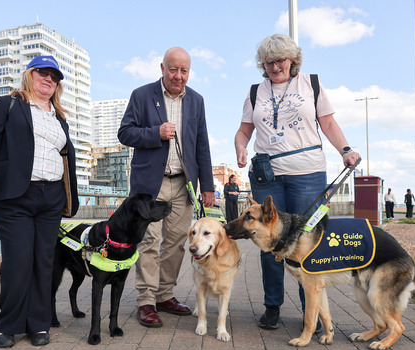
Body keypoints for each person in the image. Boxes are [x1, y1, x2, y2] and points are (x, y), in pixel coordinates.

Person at [234, 34, 360, 330]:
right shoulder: (256, 92)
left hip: (308, 173)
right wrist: (241, 147)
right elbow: (243, 131)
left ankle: (311, 311)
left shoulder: (311, 84)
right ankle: (272, 306)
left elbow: (328, 123)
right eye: (269, 61)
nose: (275, 66)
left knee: (310, 242)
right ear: (262, 64)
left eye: (280, 59)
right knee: (267, 240)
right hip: (268, 176)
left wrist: (345, 150)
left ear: (292, 60)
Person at [0, 55, 79, 348]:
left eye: (54, 77)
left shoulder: (60, 118)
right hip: (15, 196)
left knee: (44, 262)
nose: (48, 79)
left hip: (51, 197)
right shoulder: (8, 105)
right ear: (29, 74)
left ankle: (39, 324)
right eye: (42, 72)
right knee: (18, 262)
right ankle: (8, 325)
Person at [118, 47, 215, 328]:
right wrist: (154, 133)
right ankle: (146, 301)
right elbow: (124, 132)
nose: (178, 76)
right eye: (173, 69)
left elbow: (202, 146)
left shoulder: (196, 100)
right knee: (149, 242)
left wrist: (206, 186)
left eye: (184, 70)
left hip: (183, 186)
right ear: (162, 68)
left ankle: (164, 295)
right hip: (150, 187)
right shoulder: (142, 95)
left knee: (176, 245)